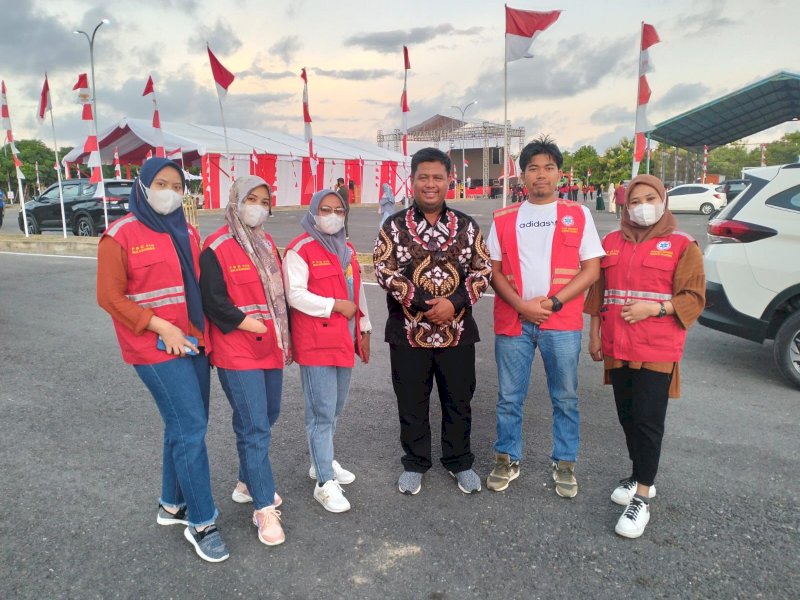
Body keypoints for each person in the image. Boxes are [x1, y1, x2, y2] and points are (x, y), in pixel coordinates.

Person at [96, 157, 229, 563]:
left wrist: (206, 340)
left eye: (177, 185)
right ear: (143, 185)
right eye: (161, 183)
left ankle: (171, 505)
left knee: (182, 425)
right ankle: (202, 522)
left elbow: (197, 289)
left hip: (193, 343)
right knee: (191, 427)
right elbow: (109, 297)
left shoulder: (186, 231)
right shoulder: (118, 236)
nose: (169, 192)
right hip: (152, 347)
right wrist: (160, 327)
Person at [585, 174, 705, 538]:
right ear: (625, 205)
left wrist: (656, 308)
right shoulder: (611, 243)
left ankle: (642, 497)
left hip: (656, 348)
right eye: (635, 201)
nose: (642, 206)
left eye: (650, 198)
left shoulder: (683, 245)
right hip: (618, 347)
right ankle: (640, 476)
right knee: (627, 417)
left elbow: (694, 298)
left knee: (649, 422)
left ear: (663, 200)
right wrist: (594, 334)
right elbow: (598, 292)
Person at [485, 135, 604, 498]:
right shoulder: (504, 217)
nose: (541, 175)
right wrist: (522, 306)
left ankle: (564, 462)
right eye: (533, 168)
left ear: (559, 174)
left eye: (548, 168)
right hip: (514, 321)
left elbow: (591, 269)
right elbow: (493, 269)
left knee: (565, 396)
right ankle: (507, 457)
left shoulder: (578, 214)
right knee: (509, 397)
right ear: (522, 177)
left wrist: (552, 302)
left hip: (562, 323)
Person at [374, 147, 492, 496]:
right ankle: (415, 462)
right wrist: (425, 305)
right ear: (412, 182)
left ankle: (459, 461)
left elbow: (483, 269)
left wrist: (454, 303)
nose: (430, 184)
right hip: (408, 332)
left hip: (457, 332)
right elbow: (383, 269)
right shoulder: (393, 226)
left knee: (459, 400)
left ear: (448, 181)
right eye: (423, 177)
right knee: (411, 400)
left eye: (437, 177)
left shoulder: (467, 227)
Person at [199, 175, 291, 547]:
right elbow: (213, 300)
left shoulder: (267, 242)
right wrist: (246, 321)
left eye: (264, 200)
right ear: (235, 201)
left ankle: (246, 481)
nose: (258, 206)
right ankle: (264, 507)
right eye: (250, 198)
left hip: (269, 347)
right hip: (237, 350)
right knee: (255, 426)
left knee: (267, 415)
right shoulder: (216, 246)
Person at [283, 189, 371, 513]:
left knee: (334, 409)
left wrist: (364, 327)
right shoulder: (300, 249)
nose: (332, 215)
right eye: (325, 209)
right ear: (313, 211)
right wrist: (334, 305)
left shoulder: (346, 249)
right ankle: (323, 481)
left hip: (343, 342)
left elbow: (357, 292)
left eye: (338, 210)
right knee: (320, 413)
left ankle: (321, 461)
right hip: (316, 343)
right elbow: (295, 294)